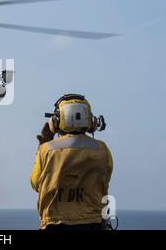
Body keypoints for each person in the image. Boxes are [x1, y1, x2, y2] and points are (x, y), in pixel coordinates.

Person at [30, 94, 113, 230]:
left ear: (56, 121)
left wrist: (43, 144)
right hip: (92, 224)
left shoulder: (47, 149)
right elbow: (104, 181)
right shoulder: (102, 150)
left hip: (55, 225)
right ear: (91, 121)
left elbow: (35, 183)